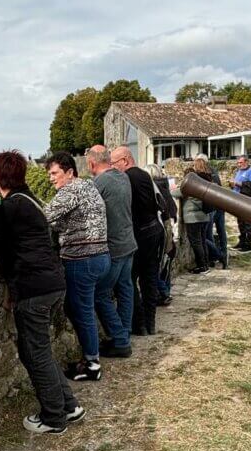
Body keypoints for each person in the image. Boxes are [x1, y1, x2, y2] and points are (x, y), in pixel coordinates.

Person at [0, 150, 85, 435]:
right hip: (51, 283)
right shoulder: (29, 200)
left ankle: (54, 417)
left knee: (34, 353)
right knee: (40, 350)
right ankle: (68, 405)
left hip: (33, 288)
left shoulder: (9, 207)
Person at [43, 152, 110, 381]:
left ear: (69, 172)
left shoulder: (70, 190)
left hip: (82, 260)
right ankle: (90, 357)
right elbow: (65, 220)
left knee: (82, 311)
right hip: (101, 256)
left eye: (54, 173)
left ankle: (92, 364)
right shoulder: (88, 186)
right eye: (49, 174)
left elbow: (44, 216)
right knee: (77, 308)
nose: (51, 178)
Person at [86, 145, 136, 359]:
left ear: (91, 163)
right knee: (125, 289)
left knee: (100, 294)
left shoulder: (99, 183)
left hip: (113, 247)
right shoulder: (123, 177)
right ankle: (123, 333)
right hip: (129, 243)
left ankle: (120, 340)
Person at [109, 147, 165, 336]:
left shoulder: (126, 178)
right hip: (154, 229)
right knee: (149, 279)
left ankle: (138, 323)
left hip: (139, 233)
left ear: (125, 160)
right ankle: (150, 323)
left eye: (114, 163)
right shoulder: (144, 174)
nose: (113, 167)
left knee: (128, 280)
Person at [145, 163, 177, 305]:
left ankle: (163, 293)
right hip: (169, 228)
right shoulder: (165, 186)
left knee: (151, 266)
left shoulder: (152, 188)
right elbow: (173, 208)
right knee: (165, 264)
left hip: (158, 229)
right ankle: (166, 291)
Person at [175, 157, 213, 273]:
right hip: (204, 215)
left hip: (193, 218)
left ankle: (202, 266)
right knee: (202, 240)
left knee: (196, 242)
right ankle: (205, 264)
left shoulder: (193, 183)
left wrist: (173, 188)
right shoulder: (207, 179)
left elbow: (177, 193)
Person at [195, 154, 228, 269]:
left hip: (210, 208)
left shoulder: (201, 176)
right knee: (220, 232)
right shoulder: (213, 173)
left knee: (206, 236)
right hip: (217, 206)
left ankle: (217, 256)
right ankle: (222, 257)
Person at [229, 156, 251, 252]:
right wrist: (232, 184)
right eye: (238, 163)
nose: (239, 164)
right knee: (240, 223)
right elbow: (236, 185)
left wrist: (237, 183)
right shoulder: (239, 171)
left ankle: (248, 245)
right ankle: (241, 242)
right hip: (238, 200)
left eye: (240, 162)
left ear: (246, 162)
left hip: (247, 201)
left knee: (248, 223)